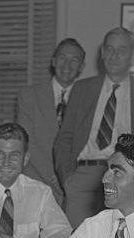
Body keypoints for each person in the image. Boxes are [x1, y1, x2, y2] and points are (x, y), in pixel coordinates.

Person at [53, 27, 134, 229]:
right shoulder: (82, 89)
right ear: (102, 53)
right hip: (82, 177)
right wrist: (67, 179)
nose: (114, 55)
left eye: (121, 50)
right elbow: (65, 137)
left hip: (127, 179)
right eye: (109, 49)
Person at [15, 38, 86, 204]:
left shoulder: (87, 98)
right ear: (53, 61)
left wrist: (67, 177)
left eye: (74, 60)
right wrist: (54, 175)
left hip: (74, 186)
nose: (67, 65)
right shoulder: (29, 95)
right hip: (36, 181)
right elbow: (26, 142)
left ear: (82, 67)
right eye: (62, 57)